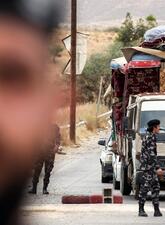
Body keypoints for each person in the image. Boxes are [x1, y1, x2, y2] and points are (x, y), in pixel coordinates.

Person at [0, 1, 62, 224]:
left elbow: (58, 139)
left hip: (48, 154)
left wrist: (54, 147)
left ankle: (42, 189)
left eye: (11, 77)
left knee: (46, 173)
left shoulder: (53, 129)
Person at [138, 119, 163, 217]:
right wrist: (158, 168)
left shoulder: (149, 136)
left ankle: (156, 210)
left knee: (156, 188)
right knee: (145, 188)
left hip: (150, 167)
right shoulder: (150, 137)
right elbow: (151, 154)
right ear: (154, 128)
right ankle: (141, 210)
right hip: (149, 168)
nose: (159, 128)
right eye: (158, 127)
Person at [29, 124, 61, 195]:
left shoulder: (54, 127)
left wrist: (57, 146)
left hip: (50, 151)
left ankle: (45, 188)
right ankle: (34, 188)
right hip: (39, 152)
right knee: (37, 170)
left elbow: (58, 138)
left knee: (48, 170)